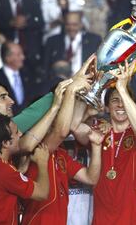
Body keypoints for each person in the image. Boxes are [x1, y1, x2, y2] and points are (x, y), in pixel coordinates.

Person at [20, 55, 102, 225]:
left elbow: (91, 178)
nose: (57, 117)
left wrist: (96, 146)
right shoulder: (34, 150)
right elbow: (62, 131)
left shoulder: (60, 154)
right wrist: (71, 90)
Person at [72, 61, 136, 224]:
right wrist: (88, 99)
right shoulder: (99, 131)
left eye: (125, 100)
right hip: (104, 217)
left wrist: (123, 89)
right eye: (115, 100)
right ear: (107, 106)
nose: (120, 105)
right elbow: (74, 127)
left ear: (133, 105)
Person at [0, 115, 50, 224]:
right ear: (6, 143)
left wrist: (18, 172)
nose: (20, 134)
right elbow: (42, 193)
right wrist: (43, 162)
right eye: (16, 132)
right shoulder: (4, 172)